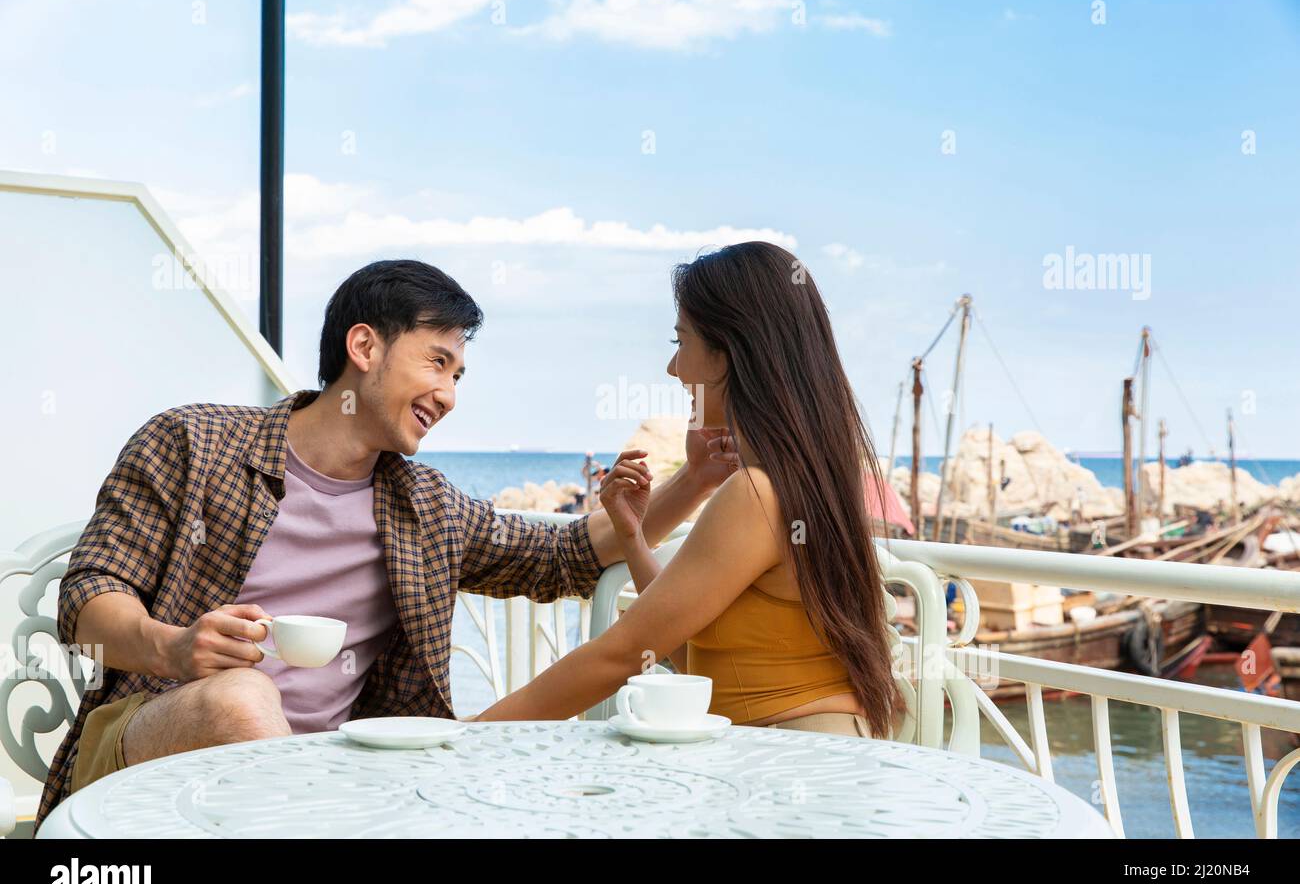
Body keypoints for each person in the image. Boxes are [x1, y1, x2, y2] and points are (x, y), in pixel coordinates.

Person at [35, 259, 737, 832]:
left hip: (332, 781)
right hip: (148, 746)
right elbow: (88, 600)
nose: (449, 394)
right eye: (437, 362)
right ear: (364, 347)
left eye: (458, 376)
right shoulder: (192, 442)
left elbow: (569, 556)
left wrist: (698, 481)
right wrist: (175, 647)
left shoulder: (423, 507)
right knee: (238, 699)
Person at [476, 242, 905, 739]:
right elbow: (684, 645)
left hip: (797, 758)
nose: (673, 368)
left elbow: (620, 654)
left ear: (728, 353)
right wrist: (634, 539)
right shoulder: (796, 480)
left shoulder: (756, 495)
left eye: (681, 342)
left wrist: (468, 736)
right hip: (795, 748)